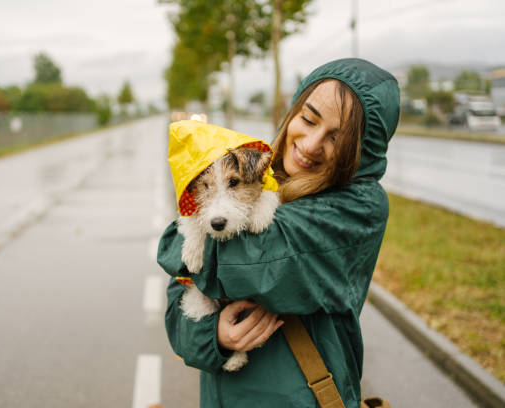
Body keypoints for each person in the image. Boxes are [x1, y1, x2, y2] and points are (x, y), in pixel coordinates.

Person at [157, 58, 400, 407]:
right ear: (293, 110)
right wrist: (215, 338)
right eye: (308, 119)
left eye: (337, 138)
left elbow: (243, 262)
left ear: (362, 151)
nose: (312, 143)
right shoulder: (256, 173)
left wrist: (178, 239)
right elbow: (178, 304)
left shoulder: (357, 207)